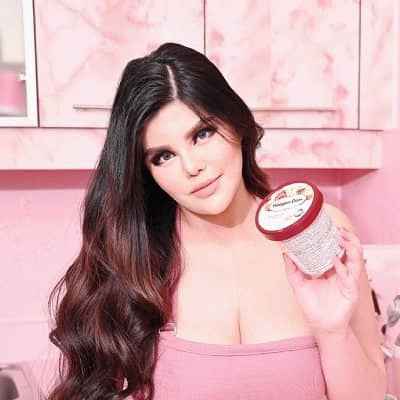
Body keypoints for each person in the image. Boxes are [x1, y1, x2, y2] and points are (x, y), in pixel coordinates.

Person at [47, 42, 387, 400]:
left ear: (236, 123)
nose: (192, 166)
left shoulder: (315, 230)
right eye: (163, 156)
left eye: (202, 133)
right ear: (147, 172)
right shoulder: (135, 261)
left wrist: (334, 331)